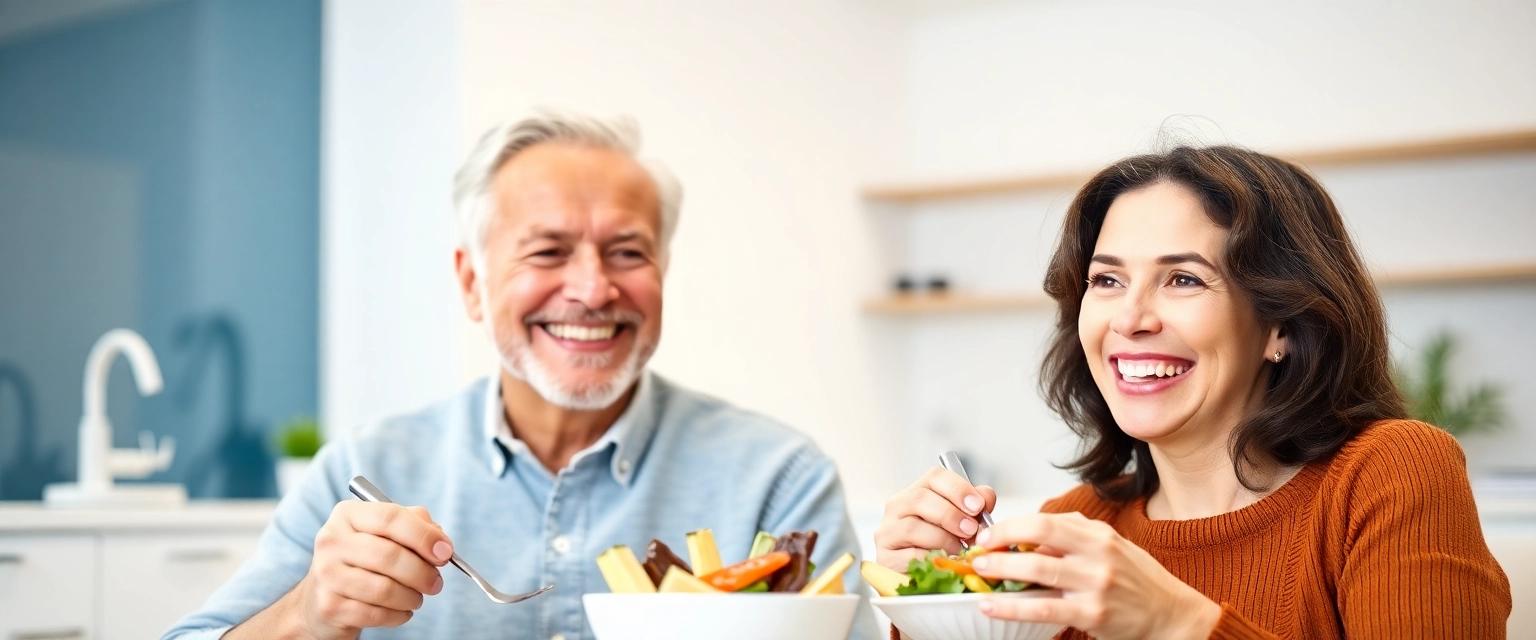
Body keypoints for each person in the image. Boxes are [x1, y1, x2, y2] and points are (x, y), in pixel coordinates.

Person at [164, 109, 876, 640]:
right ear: (472, 282)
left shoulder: (780, 479)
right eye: (548, 252)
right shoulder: (364, 468)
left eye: (628, 252)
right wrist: (306, 614)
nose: (594, 289)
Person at [874, 145, 1511, 638]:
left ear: (1280, 324)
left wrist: (1175, 623)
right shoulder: (1074, 528)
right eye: (1107, 280)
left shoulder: (1389, 475)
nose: (1130, 320)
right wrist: (932, 610)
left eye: (1182, 278)